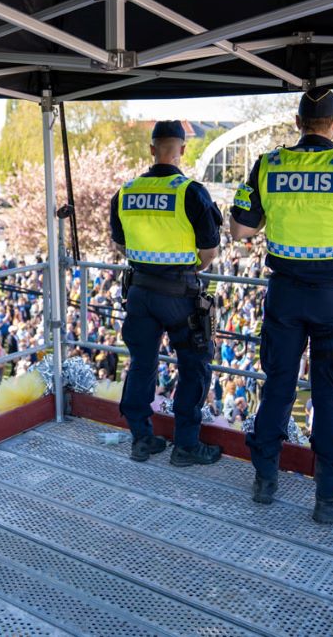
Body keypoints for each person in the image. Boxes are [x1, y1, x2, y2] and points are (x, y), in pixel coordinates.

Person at [229, 88, 333, 525]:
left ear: (298, 121)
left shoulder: (269, 164)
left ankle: (265, 479)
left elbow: (240, 229)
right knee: (329, 395)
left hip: (284, 295)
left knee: (279, 386)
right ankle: (327, 497)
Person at [109, 120, 223, 466]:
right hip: (180, 296)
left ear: (152, 149)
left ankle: (142, 439)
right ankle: (185, 446)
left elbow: (119, 243)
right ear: (183, 150)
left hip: (140, 292)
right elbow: (209, 251)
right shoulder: (191, 192)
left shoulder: (125, 192)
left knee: (142, 364)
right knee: (194, 366)